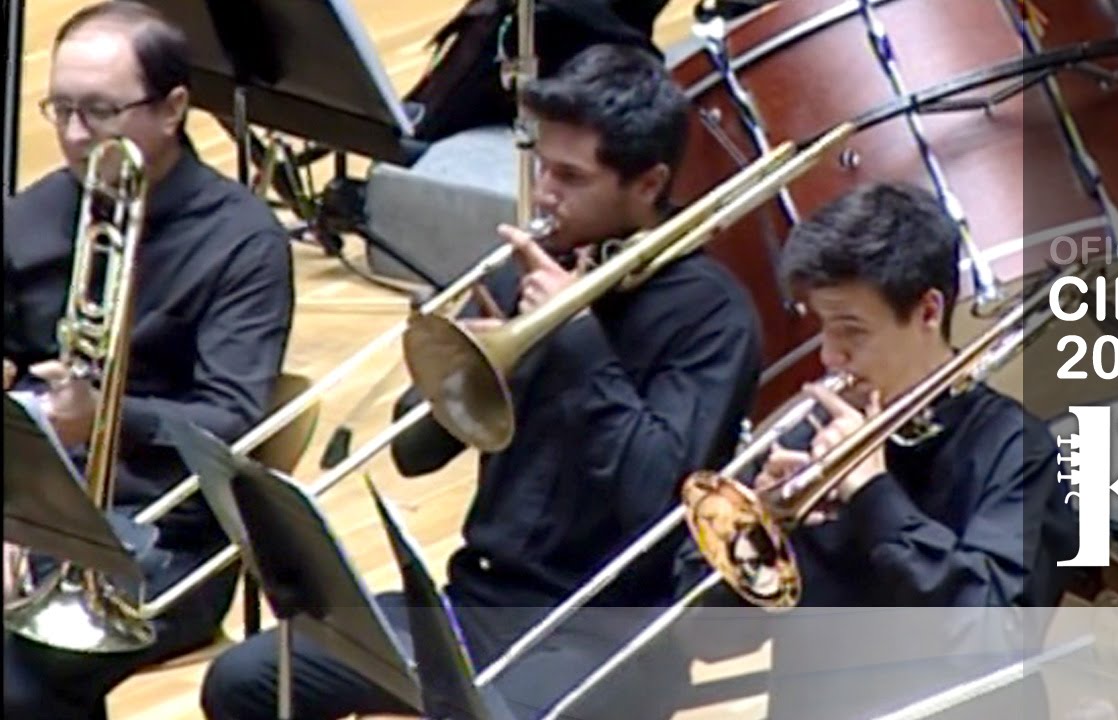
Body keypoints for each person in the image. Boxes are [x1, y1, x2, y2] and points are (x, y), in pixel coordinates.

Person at [200, 43, 764, 720]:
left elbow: (655, 498)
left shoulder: (712, 317)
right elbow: (415, 455)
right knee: (245, 680)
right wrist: (464, 363)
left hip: (608, 635)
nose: (544, 193)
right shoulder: (526, 270)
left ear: (648, 184)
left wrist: (576, 338)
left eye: (571, 177)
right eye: (542, 166)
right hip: (477, 604)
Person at [672, 182, 1081, 719]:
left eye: (852, 331)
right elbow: (706, 639)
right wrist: (762, 533)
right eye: (822, 327)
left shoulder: (1017, 449)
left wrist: (874, 495)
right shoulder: (805, 440)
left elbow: (991, 638)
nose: (829, 356)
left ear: (928, 311)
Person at [3, 3, 295, 718]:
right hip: (33, 505)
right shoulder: (29, 217)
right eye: (61, 109)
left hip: (168, 532)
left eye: (100, 111)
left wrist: (107, 418)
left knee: (18, 683)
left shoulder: (243, 243)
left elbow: (234, 422)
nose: (75, 135)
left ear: (172, 108)